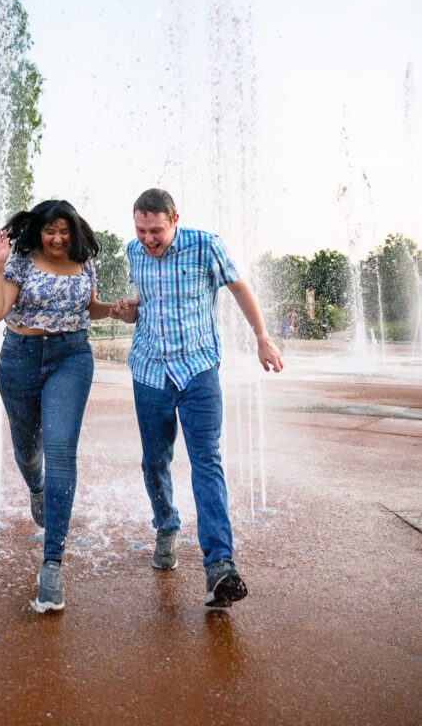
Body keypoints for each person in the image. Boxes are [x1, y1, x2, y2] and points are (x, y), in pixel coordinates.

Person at [112, 188, 283, 609]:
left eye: (156, 230)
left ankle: (220, 566)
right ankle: (167, 526)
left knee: (206, 459)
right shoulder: (134, 251)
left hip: (198, 370)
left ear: (175, 220)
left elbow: (240, 289)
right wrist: (128, 310)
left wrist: (261, 338)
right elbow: (145, 305)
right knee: (155, 460)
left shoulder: (206, 245)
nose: (148, 239)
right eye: (141, 229)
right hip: (150, 371)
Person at [0, 199, 114, 613]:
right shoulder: (20, 260)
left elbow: (90, 306)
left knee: (60, 452)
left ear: (74, 231)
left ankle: (52, 564)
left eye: (64, 231)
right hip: (19, 357)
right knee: (26, 451)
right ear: (39, 230)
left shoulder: (85, 260)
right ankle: (36, 489)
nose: (58, 238)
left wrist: (117, 311)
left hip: (71, 357)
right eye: (50, 231)